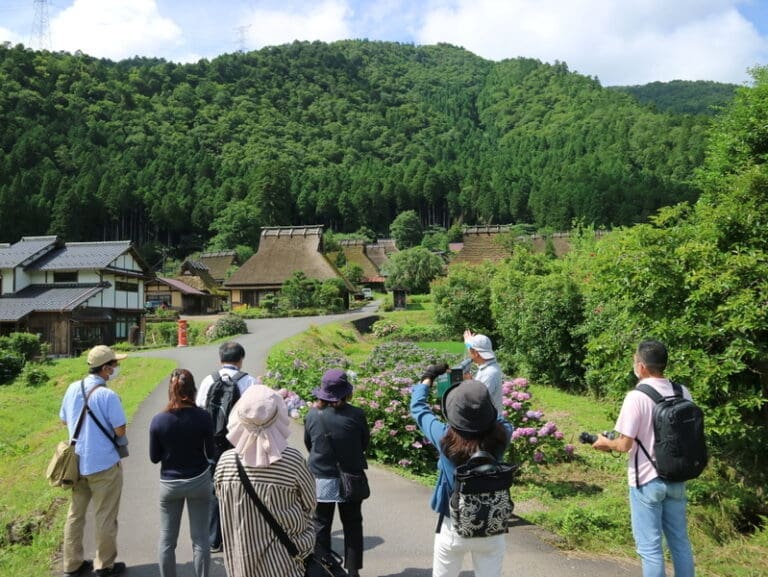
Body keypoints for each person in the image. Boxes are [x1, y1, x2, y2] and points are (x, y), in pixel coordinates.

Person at [592, 340, 696, 577]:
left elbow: (624, 444)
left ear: (641, 366)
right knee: (680, 543)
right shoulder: (682, 391)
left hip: (646, 481)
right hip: (677, 477)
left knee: (650, 549)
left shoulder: (636, 397)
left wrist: (603, 442)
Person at [410, 363, 514, 577]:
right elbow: (498, 417)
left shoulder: (444, 438)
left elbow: (418, 408)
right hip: (492, 526)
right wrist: (474, 390)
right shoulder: (503, 436)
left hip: (453, 524)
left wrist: (428, 378)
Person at [213, 384, 315, 577]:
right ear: (279, 416)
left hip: (241, 563)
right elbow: (310, 505)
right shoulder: (292, 461)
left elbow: (221, 500)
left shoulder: (225, 462)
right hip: (286, 561)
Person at [59, 345, 128, 577]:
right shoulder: (107, 395)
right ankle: (104, 565)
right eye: (114, 365)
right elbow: (119, 431)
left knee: (75, 514)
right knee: (105, 515)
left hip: (76, 463)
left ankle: (72, 564)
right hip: (104, 464)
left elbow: (63, 420)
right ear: (106, 369)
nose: (116, 369)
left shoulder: (71, 388)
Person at [304, 369, 370, 577]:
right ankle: (353, 571)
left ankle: (324, 568)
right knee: (352, 524)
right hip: (350, 477)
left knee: (321, 525)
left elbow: (309, 444)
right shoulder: (357, 414)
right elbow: (363, 443)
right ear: (346, 392)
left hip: (321, 476)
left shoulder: (312, 414)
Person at [149, 369, 215, 577]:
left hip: (170, 484)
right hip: (199, 480)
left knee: (167, 540)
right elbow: (211, 453)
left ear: (170, 390)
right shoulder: (204, 417)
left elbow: (154, 457)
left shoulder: (159, 420)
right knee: (201, 539)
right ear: (193, 390)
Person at [195, 341, 259, 553]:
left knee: (215, 488)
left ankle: (214, 539)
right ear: (241, 359)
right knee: (243, 486)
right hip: (239, 443)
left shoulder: (208, 380)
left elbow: (200, 409)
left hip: (213, 444)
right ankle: (240, 537)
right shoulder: (248, 381)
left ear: (220, 358)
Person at [463, 330, 503, 414]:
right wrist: (468, 342)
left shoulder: (489, 374)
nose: (469, 353)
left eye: (470, 351)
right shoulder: (489, 363)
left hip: (488, 423)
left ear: (476, 353)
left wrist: (469, 383)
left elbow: (477, 401)